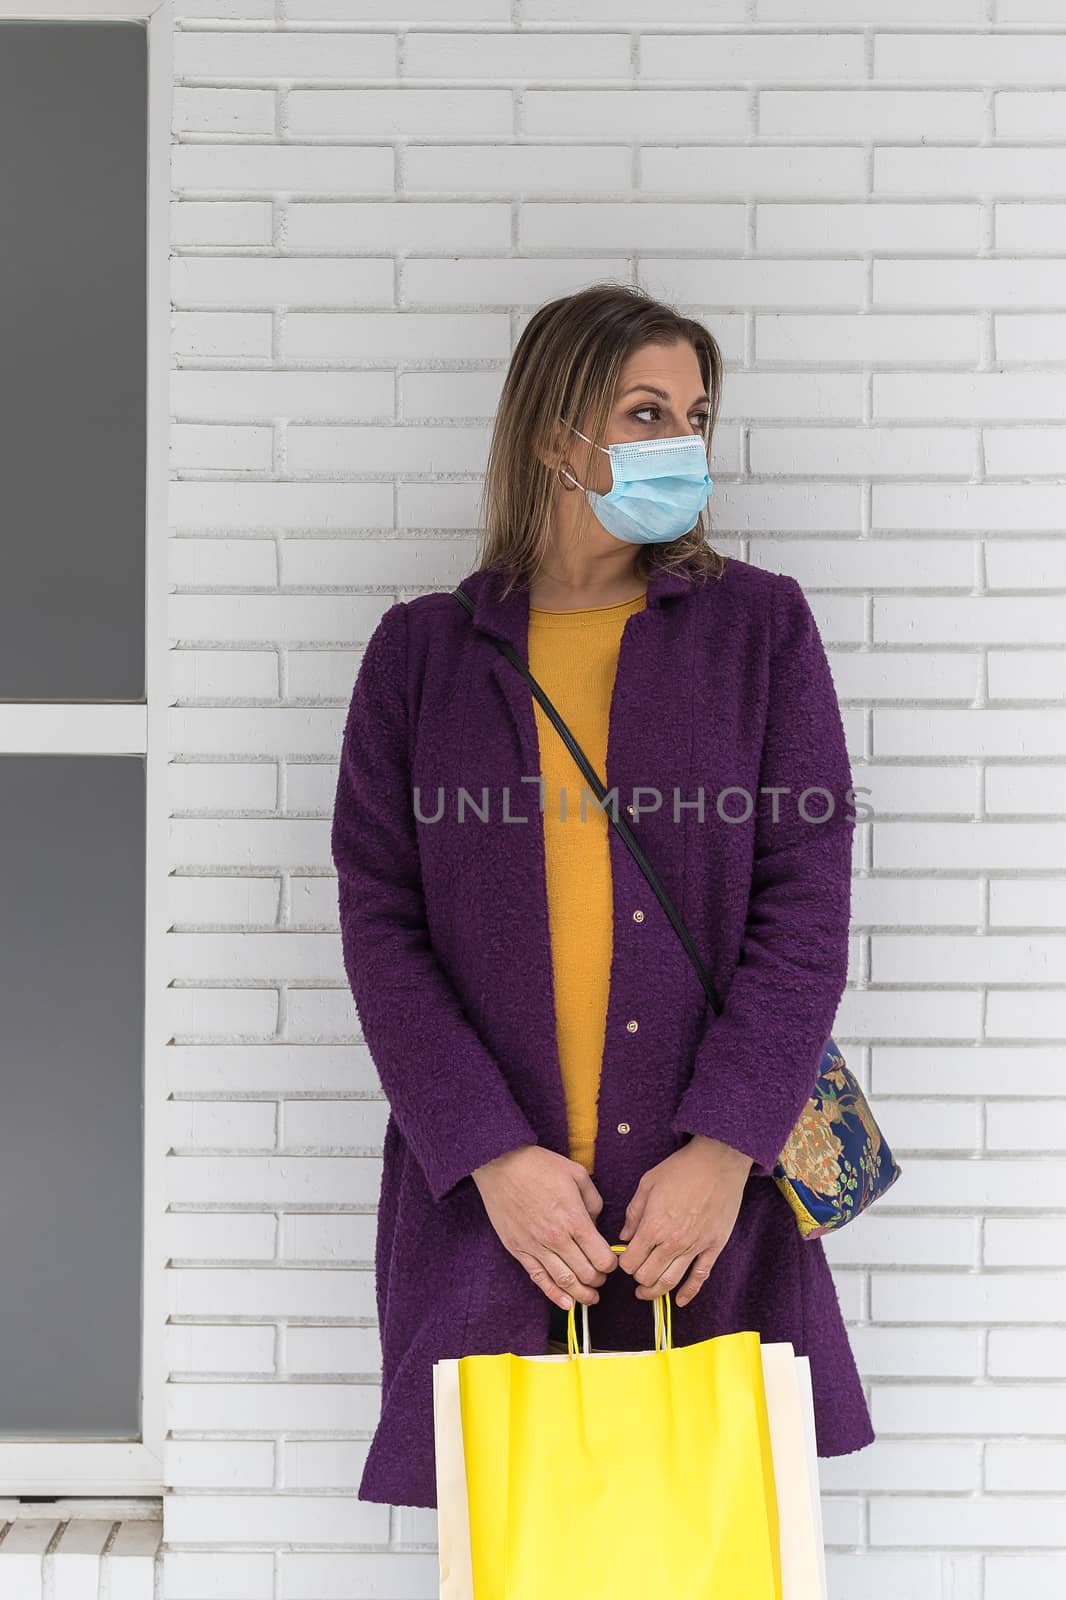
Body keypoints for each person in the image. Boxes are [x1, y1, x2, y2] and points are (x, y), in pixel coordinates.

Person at [332, 281, 874, 1510]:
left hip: (702, 1201)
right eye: (644, 412)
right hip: (503, 1213)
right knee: (519, 1555)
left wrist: (726, 1148)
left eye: (692, 415)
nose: (680, 443)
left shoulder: (758, 631)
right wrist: (490, 1160)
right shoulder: (420, 657)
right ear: (551, 435)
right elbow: (381, 923)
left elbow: (805, 905)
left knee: (712, 1558)